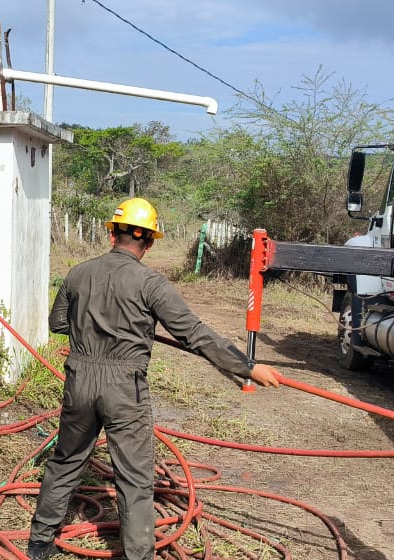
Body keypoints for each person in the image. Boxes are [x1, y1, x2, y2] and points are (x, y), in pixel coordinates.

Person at [26, 198, 283, 560]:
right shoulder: (151, 283)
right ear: (148, 242)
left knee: (67, 460)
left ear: (113, 233)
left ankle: (39, 544)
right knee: (133, 478)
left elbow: (57, 324)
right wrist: (248, 366)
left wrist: (95, 326)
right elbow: (193, 333)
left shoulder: (78, 273)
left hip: (80, 378)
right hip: (123, 386)